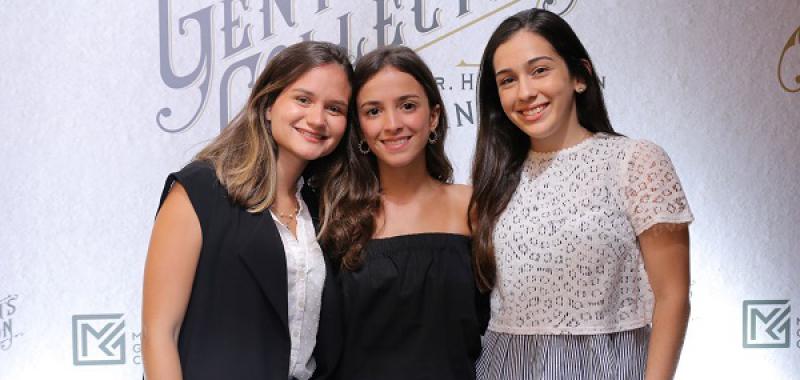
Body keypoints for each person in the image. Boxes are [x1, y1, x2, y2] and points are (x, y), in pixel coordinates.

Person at [470, 9, 693, 380]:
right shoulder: (493, 181)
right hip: (506, 367)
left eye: (539, 70)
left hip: (610, 367)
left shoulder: (635, 161)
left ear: (579, 76)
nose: (525, 92)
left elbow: (672, 297)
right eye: (508, 80)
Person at [141, 41, 353, 380]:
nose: (317, 118)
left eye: (335, 108)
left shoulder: (324, 212)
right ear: (269, 104)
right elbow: (159, 333)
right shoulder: (200, 191)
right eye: (303, 99)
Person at [318, 45, 488, 380]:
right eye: (373, 111)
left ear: (434, 116)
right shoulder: (334, 217)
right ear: (360, 128)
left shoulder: (473, 206)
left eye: (407, 106)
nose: (392, 124)